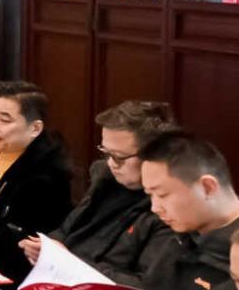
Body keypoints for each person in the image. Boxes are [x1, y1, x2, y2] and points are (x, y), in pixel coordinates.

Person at [105, 132, 239, 290]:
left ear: (208, 187)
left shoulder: (238, 255)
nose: (155, 208)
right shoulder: (182, 233)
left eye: (162, 195)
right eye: (150, 195)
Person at [19, 100, 177, 269]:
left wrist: (70, 262)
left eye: (119, 157)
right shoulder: (104, 177)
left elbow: (144, 282)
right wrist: (45, 247)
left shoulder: (167, 208)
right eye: (106, 153)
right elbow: (66, 231)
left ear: (154, 156)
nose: (111, 164)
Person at [0, 81, 72, 282]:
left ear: (35, 128)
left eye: (5, 120)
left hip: (2, 279)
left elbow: (14, 248)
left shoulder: (46, 178)